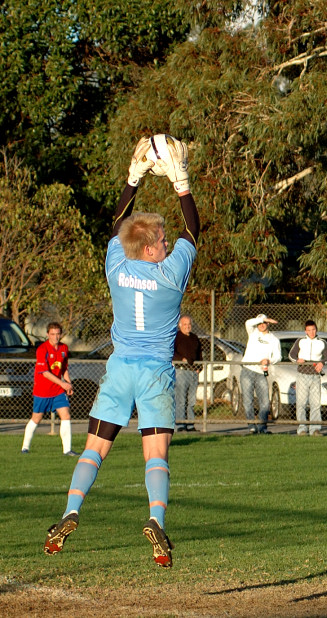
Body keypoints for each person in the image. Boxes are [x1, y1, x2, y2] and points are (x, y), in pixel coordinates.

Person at [43, 135, 199, 569]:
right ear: (150, 248)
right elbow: (194, 228)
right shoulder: (169, 275)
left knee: (94, 449)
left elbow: (118, 223)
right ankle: (156, 520)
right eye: (162, 240)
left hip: (119, 369)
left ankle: (70, 511)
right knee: (156, 456)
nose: (168, 243)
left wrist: (133, 178)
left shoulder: (117, 265)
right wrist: (181, 183)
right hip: (154, 373)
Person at [21, 322, 78, 456]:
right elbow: (45, 372)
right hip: (43, 391)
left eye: (58, 334)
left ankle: (67, 450)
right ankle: (25, 447)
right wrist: (63, 384)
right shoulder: (42, 349)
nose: (55, 337)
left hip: (58, 391)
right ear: (47, 335)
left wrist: (68, 384)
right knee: (36, 418)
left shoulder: (64, 348)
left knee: (66, 415)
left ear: (61, 334)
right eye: (52, 334)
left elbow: (64, 368)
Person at [289, 320, 327, 436]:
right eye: (309, 330)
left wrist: (322, 362)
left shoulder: (322, 342)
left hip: (315, 376)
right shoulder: (300, 341)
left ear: (316, 330)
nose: (311, 332)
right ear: (305, 331)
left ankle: (315, 429)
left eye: (313, 330)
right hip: (302, 375)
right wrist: (297, 360)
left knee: (315, 404)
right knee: (301, 403)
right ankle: (302, 428)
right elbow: (291, 355)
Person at [240, 314, 281, 434]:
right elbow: (248, 322)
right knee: (248, 400)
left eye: (264, 323)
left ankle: (262, 427)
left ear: (268, 324)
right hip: (247, 370)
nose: (262, 325)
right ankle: (251, 426)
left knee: (264, 402)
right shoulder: (253, 333)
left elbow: (278, 356)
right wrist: (263, 319)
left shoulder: (273, 339)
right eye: (260, 323)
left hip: (261, 372)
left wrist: (269, 361)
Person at [173, 315, 202, 432]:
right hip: (181, 371)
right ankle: (180, 424)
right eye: (185, 324)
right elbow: (171, 352)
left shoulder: (194, 338)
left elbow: (199, 354)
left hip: (193, 372)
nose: (187, 326)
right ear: (180, 326)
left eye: (189, 324)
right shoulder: (176, 337)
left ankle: (190, 424)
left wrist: (199, 367)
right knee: (181, 399)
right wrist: (182, 359)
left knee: (191, 401)